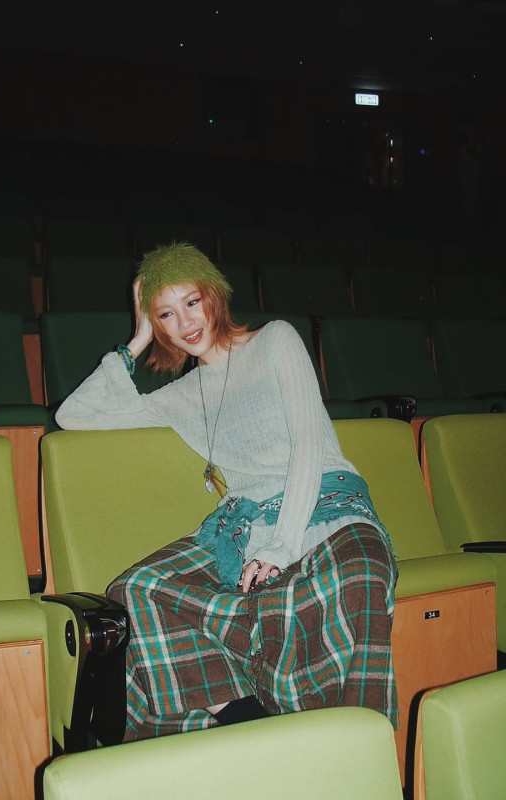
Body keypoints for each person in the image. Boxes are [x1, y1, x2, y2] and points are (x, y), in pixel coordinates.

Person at [55, 242, 398, 741]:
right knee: (137, 588)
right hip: (244, 526)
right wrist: (138, 337)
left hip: (327, 506)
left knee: (360, 580)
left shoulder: (276, 340)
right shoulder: (179, 397)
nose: (185, 322)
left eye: (191, 302)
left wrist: (282, 546)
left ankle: (353, 748)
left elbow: (308, 442)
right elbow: (72, 415)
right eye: (166, 314)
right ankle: (246, 721)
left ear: (213, 296)